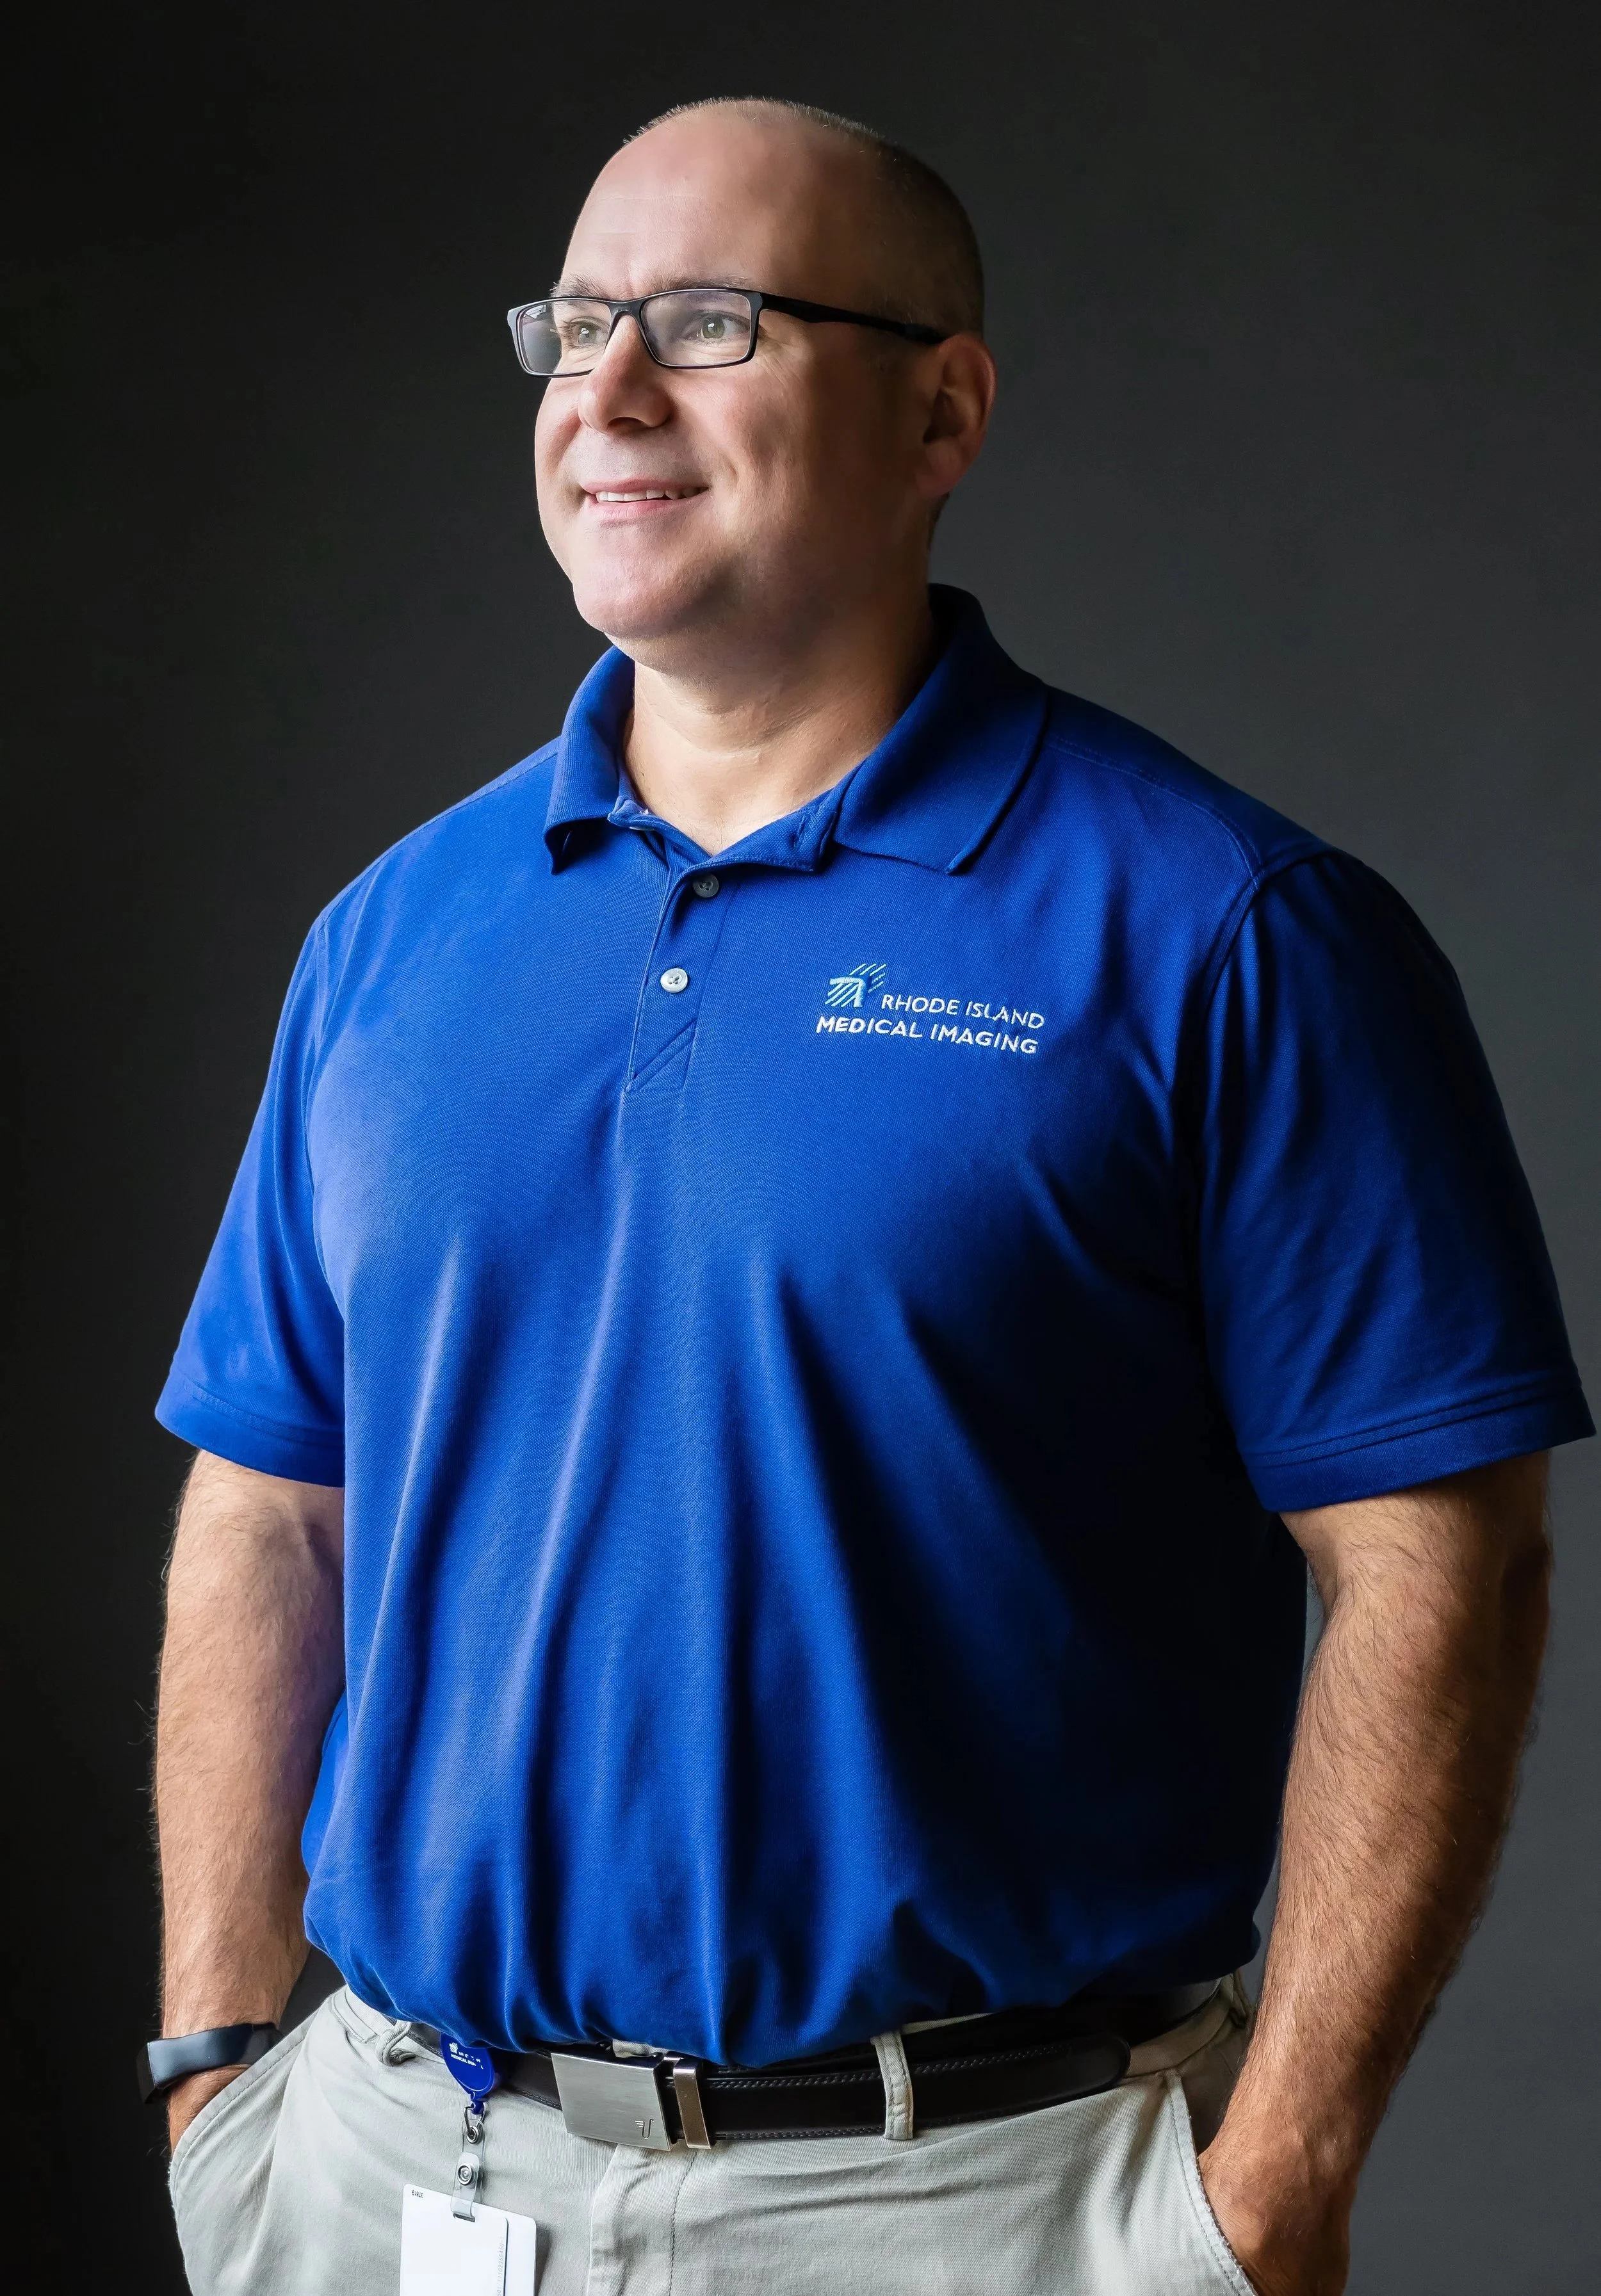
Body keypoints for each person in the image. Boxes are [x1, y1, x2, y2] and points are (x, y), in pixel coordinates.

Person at [146, 97, 1591, 2296]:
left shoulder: (1225, 934)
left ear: (944, 412)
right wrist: (219, 2073)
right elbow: (272, 1509)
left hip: (977, 2204)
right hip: (392, 2176)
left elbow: (1436, 1566)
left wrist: (1274, 2174)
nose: (611, 393)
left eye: (710, 322)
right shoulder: (393, 934)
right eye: (575, 326)